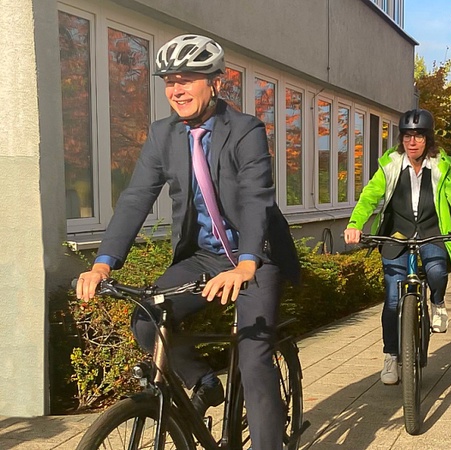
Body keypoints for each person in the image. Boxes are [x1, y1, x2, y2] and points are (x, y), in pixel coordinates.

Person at [75, 34, 299, 450]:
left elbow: (255, 200)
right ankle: (203, 382)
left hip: (255, 259)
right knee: (146, 319)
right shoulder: (163, 134)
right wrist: (103, 262)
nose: (176, 90)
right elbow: (137, 196)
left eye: (187, 79)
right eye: (169, 81)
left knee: (252, 362)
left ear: (215, 81)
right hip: (204, 258)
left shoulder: (246, 129)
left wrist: (247, 263)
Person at [344, 108, 451, 385]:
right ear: (401, 139)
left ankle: (437, 302)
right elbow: (370, 196)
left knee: (436, 271)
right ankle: (391, 355)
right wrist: (354, 224)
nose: (412, 142)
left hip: (432, 230)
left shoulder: (441, 166)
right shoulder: (391, 164)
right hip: (397, 233)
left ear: (428, 139)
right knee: (393, 301)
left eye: (418, 136)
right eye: (407, 136)